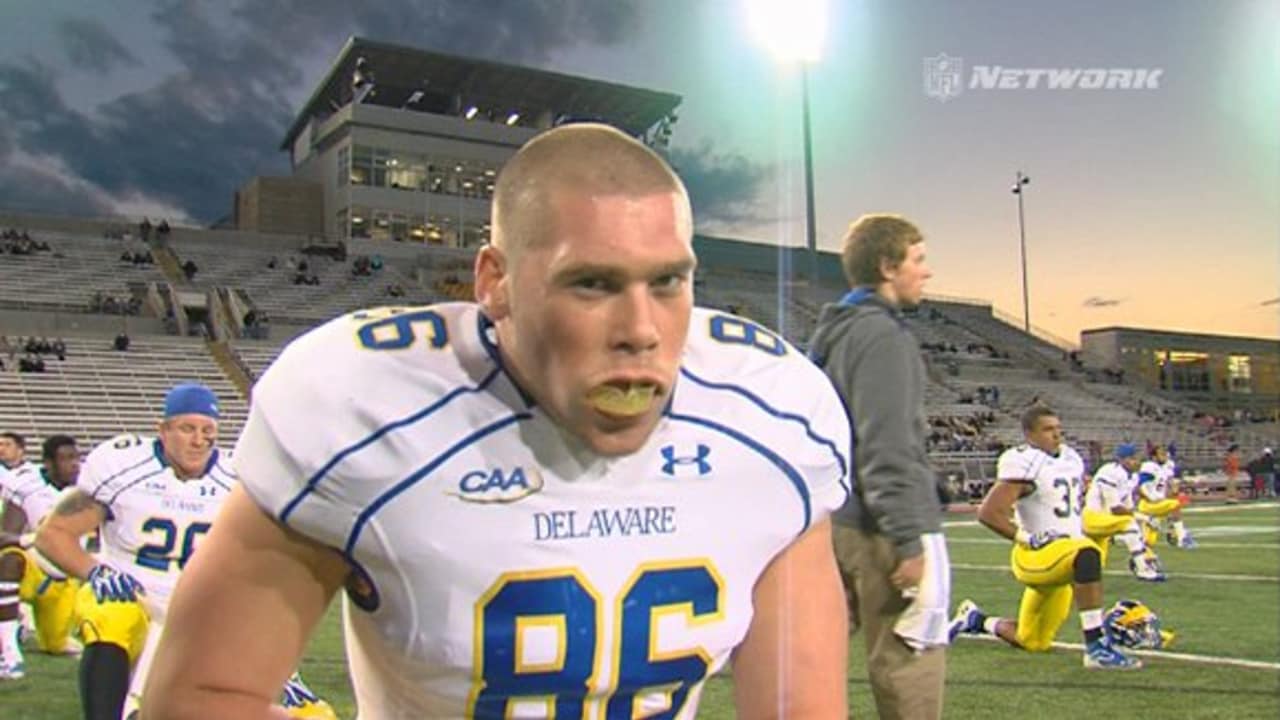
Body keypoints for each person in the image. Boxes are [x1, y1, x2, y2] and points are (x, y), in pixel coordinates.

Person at [141, 123, 853, 719]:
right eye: (592, 282)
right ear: (496, 281)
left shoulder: (773, 415)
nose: (641, 329)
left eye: (667, 281)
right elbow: (201, 696)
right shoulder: (368, 410)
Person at [34, 384, 335, 720]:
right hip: (134, 597)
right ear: (162, 430)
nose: (198, 440)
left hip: (201, 612)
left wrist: (280, 666)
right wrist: (97, 571)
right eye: (187, 428)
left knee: (314, 715)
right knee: (112, 612)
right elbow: (53, 534)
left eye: (208, 431)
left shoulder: (238, 481)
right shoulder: (124, 466)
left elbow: (265, 575)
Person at [806, 213, 950, 719]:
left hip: (837, 522)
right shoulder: (883, 337)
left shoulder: (836, 332)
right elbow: (886, 445)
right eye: (918, 259)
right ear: (889, 266)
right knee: (909, 662)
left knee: (809, 662)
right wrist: (909, 538)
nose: (926, 272)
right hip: (880, 528)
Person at [950, 405, 1142, 669]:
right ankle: (1097, 648)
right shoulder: (1025, 460)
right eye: (1048, 429)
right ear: (1029, 434)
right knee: (1087, 554)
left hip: (1063, 558)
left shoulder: (1071, 458)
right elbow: (988, 513)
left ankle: (975, 619)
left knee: (1033, 642)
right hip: (1036, 556)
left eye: (1058, 428)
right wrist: (1027, 539)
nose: (1056, 435)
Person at [0, 435, 84, 677]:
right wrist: (34, 540)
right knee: (8, 560)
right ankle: (9, 653)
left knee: (57, 646)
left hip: (65, 581)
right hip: (35, 569)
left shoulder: (87, 489)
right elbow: (5, 535)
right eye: (66, 458)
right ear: (47, 463)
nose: (74, 464)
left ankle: (19, 624)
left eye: (75, 457)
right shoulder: (28, 486)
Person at [1082, 443, 1165, 582]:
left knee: (1093, 570)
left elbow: (1127, 509)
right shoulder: (1110, 472)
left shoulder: (1132, 477)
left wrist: (1142, 520)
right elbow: (1115, 508)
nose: (1135, 461)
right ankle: (1143, 569)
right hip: (1092, 518)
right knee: (1129, 523)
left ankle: (1140, 555)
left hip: (1105, 522)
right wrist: (1145, 518)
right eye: (1131, 458)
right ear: (1121, 459)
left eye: (1136, 458)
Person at [1138, 444, 1195, 547]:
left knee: (1149, 542)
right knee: (1176, 504)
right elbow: (1140, 487)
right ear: (1154, 457)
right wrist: (1151, 498)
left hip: (1159, 504)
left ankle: (1172, 530)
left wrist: (1173, 489)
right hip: (1149, 504)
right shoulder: (1149, 467)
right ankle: (1182, 537)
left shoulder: (1166, 466)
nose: (1164, 456)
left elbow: (1168, 485)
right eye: (1161, 454)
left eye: (1165, 454)